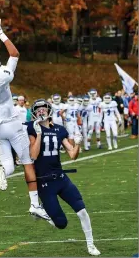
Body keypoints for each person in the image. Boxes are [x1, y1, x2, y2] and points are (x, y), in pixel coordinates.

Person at [0, 17, 48, 219]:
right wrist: (0, 32)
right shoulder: (1, 77)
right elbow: (14, 53)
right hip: (11, 123)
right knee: (28, 162)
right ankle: (34, 204)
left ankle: (4, 170)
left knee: (10, 166)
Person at [27, 99, 100, 256]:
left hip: (61, 178)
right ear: (34, 112)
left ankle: (91, 244)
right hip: (44, 182)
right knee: (61, 224)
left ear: (49, 110)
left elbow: (72, 155)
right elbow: (33, 155)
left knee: (82, 211)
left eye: (43, 109)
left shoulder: (60, 130)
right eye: (37, 109)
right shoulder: (31, 129)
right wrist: (39, 133)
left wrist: (78, 143)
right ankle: (42, 211)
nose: (40, 111)